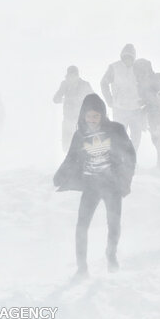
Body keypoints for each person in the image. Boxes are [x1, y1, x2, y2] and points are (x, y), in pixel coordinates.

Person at [54, 94, 136, 279]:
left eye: (96, 116)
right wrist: (59, 176)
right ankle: (82, 268)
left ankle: (111, 255)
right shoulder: (80, 134)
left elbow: (130, 155)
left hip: (112, 184)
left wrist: (126, 180)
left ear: (103, 115)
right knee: (81, 226)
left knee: (113, 223)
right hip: (91, 185)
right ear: (83, 115)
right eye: (89, 116)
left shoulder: (116, 130)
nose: (91, 120)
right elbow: (71, 158)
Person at [100, 44, 144, 151]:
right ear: (122, 56)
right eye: (126, 56)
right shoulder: (114, 67)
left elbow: (145, 85)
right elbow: (103, 83)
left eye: (130, 57)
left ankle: (132, 160)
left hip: (136, 109)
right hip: (119, 108)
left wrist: (144, 99)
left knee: (136, 137)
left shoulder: (139, 68)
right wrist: (109, 100)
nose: (128, 59)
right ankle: (120, 161)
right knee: (119, 136)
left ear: (134, 57)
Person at [53, 65, 94, 152]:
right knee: (67, 143)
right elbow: (56, 99)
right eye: (70, 75)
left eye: (74, 75)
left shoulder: (85, 84)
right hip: (68, 118)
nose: (72, 77)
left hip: (82, 118)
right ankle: (67, 160)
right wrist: (64, 100)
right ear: (68, 75)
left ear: (77, 75)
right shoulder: (65, 84)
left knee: (83, 142)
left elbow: (93, 98)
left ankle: (82, 161)